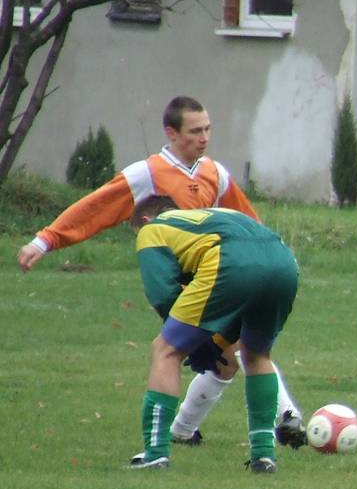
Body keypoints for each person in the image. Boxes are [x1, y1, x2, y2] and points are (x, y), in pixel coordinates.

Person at [16, 96, 306, 448]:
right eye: (195, 131)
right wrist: (45, 240)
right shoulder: (147, 174)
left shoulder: (215, 173)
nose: (204, 138)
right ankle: (283, 416)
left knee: (226, 357)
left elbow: (249, 224)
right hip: (183, 286)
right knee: (229, 350)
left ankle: (186, 430)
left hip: (221, 277)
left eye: (207, 129)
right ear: (171, 133)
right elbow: (94, 208)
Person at [130, 197, 300, 473]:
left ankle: (155, 453)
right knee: (256, 354)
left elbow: (162, 293)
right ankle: (263, 456)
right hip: (284, 262)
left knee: (166, 349)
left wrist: (196, 343)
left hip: (231, 261)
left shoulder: (152, 229)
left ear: (145, 220)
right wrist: (218, 341)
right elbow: (233, 311)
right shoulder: (212, 218)